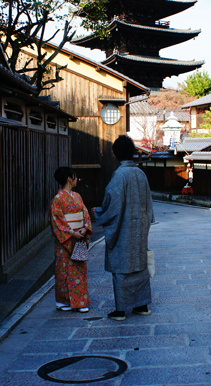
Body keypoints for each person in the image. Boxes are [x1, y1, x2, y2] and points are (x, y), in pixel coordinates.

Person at [93, 135, 154, 321]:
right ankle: (141, 305)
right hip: (139, 229)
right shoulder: (140, 174)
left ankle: (120, 311)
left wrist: (98, 212)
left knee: (121, 268)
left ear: (116, 154)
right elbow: (148, 204)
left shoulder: (119, 175)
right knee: (139, 266)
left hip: (123, 230)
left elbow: (112, 203)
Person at [50, 167, 92, 313]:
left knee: (79, 269)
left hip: (78, 239)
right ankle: (63, 301)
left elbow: (85, 214)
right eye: (75, 177)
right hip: (66, 242)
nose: (76, 179)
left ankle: (80, 301)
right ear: (69, 178)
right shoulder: (57, 199)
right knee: (64, 271)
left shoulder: (77, 196)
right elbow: (57, 221)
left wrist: (85, 228)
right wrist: (71, 233)